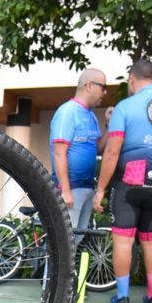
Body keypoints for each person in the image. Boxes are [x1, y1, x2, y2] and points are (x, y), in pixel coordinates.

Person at [95, 59, 152, 303]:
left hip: (130, 178)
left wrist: (100, 189)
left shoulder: (125, 107)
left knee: (123, 240)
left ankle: (123, 296)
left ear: (132, 79)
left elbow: (112, 151)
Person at [50, 68, 107, 233]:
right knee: (65, 240)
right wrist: (65, 191)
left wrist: (110, 125)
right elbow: (59, 152)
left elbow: (98, 149)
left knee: (77, 238)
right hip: (71, 189)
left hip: (87, 187)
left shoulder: (91, 116)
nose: (105, 92)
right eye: (102, 87)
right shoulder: (68, 113)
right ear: (89, 86)